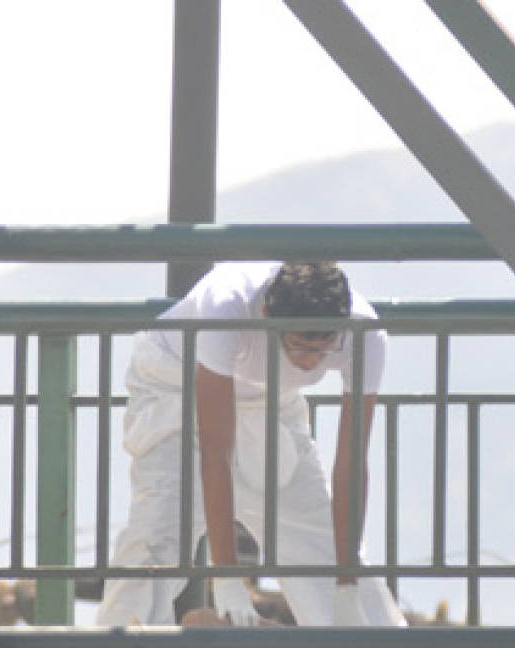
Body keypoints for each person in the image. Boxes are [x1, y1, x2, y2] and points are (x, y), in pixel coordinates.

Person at [97, 262, 405, 627]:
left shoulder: (363, 332)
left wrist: (347, 583)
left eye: (323, 349)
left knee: (315, 531)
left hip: (270, 397)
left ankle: (366, 636)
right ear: (266, 316)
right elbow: (215, 454)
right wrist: (227, 579)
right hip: (175, 383)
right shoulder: (225, 305)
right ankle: (122, 634)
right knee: (159, 531)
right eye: (299, 345)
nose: (309, 361)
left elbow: (352, 462)